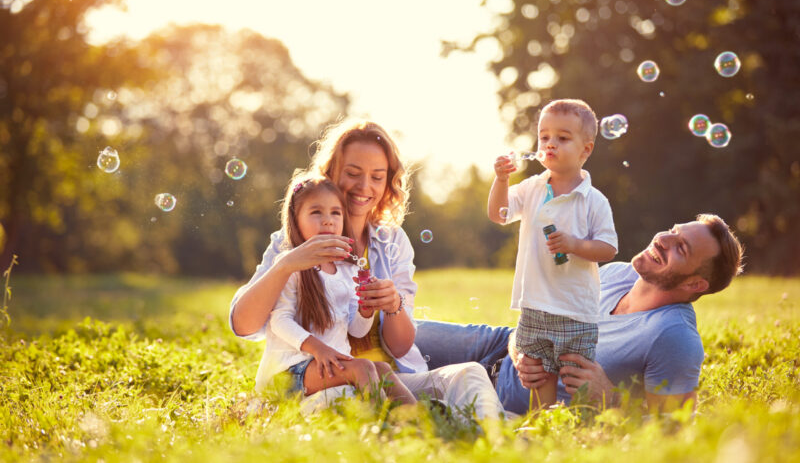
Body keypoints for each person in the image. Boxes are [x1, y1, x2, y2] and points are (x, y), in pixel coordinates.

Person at [230, 119, 504, 419]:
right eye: (353, 173)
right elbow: (244, 326)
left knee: (469, 374)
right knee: (355, 404)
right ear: (330, 173)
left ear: (388, 182)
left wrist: (392, 305)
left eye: (377, 177)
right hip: (323, 381)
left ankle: (497, 439)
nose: (364, 187)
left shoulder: (392, 241)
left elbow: (398, 348)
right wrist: (285, 265)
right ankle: (417, 427)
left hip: (390, 377)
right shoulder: (294, 241)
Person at [414, 214, 744, 414]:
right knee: (392, 331)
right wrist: (519, 346)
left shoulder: (674, 336)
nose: (663, 240)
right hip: (497, 345)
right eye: (673, 230)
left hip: (503, 396)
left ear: (696, 283)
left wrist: (610, 399)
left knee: (390, 385)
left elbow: (673, 431)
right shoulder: (617, 273)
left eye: (681, 248)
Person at [488, 99, 617, 408]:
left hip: (575, 308)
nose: (550, 144)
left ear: (585, 150)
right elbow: (499, 213)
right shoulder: (532, 187)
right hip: (534, 303)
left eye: (562, 138)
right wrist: (502, 180)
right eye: (544, 136)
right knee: (538, 373)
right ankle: (543, 423)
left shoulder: (593, 200)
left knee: (577, 375)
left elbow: (608, 248)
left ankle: (585, 425)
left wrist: (574, 245)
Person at [261, 175, 415, 405]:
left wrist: (365, 310)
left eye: (335, 213)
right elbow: (279, 320)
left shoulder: (346, 271)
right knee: (363, 367)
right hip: (288, 371)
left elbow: (356, 331)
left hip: (327, 365)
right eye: (316, 212)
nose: (328, 221)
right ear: (295, 219)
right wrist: (319, 349)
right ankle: (381, 427)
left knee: (382, 369)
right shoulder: (290, 265)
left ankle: (419, 420)